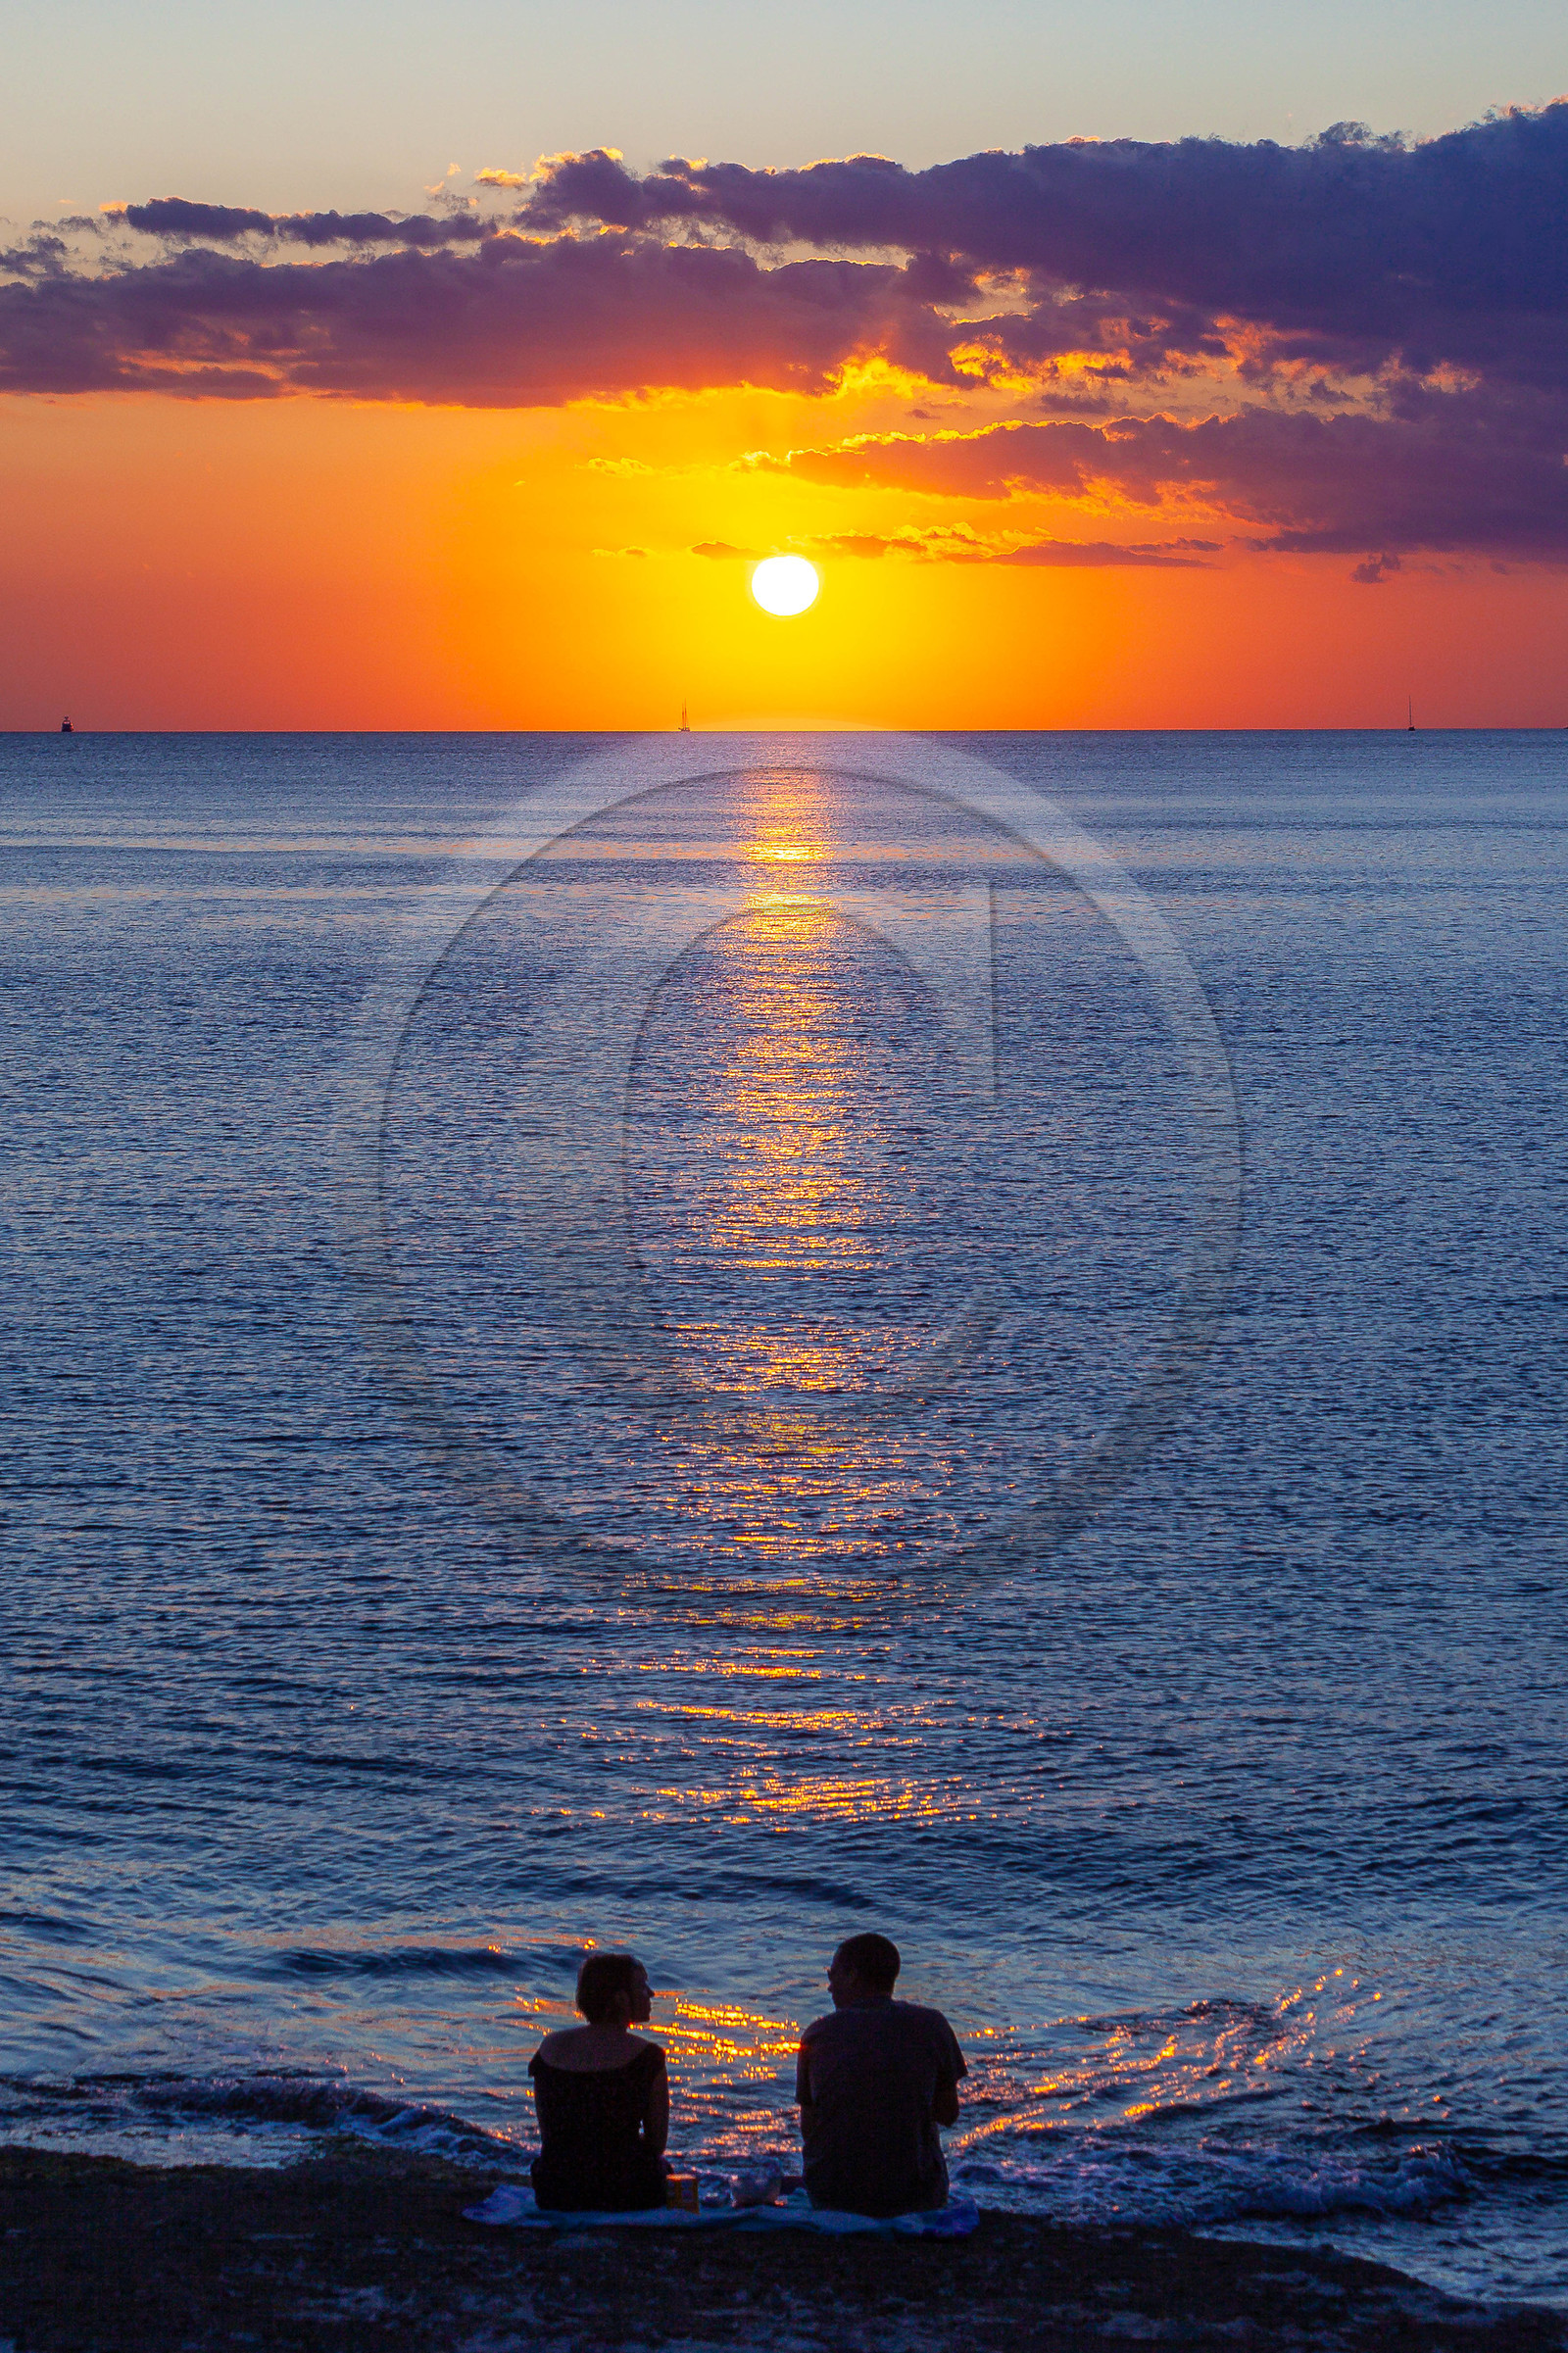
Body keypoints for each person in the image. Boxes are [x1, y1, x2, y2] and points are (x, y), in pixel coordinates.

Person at [795, 1932, 966, 2217]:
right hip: (917, 2195)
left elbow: (809, 2129)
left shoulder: (818, 2034)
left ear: (852, 1976)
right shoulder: (932, 2025)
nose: (829, 1987)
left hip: (832, 2195)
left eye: (832, 1975)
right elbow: (948, 2114)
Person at [528, 1951, 669, 2212]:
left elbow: (550, 2137)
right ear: (619, 1999)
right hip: (626, 2189)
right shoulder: (647, 2056)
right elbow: (656, 2144)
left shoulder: (549, 2048)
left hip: (556, 2189)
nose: (651, 1994)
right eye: (641, 1986)